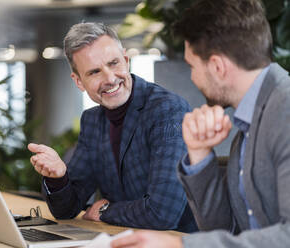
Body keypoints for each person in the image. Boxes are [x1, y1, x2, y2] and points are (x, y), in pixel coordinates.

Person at [111, 0, 290, 247]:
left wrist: (179, 245)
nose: (192, 77)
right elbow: (224, 229)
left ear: (217, 66)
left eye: (192, 66)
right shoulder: (249, 127)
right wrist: (200, 154)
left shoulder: (285, 110)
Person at [28, 22, 197, 232]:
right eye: (94, 72)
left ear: (126, 60)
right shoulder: (92, 120)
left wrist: (105, 211)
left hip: (175, 241)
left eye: (114, 63)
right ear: (79, 81)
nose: (109, 78)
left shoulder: (167, 110)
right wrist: (58, 178)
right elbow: (67, 209)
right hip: (122, 237)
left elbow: (162, 214)